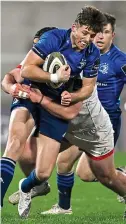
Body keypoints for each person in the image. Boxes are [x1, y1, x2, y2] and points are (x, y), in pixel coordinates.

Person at [0, 6, 105, 214]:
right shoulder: (53, 38)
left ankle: (25, 187)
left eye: (92, 35)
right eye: (85, 32)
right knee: (14, 143)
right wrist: (54, 78)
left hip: (54, 102)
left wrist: (73, 95)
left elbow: (88, 87)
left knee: (44, 172)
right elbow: (27, 68)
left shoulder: (92, 53)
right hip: (32, 92)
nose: (87, 38)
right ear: (74, 27)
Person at [36, 13, 126, 219]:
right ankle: (64, 207)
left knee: (86, 174)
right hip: (80, 118)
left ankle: (120, 177)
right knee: (64, 162)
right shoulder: (82, 54)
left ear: (113, 35)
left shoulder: (120, 60)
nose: (100, 37)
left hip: (104, 122)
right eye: (97, 32)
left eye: (106, 32)